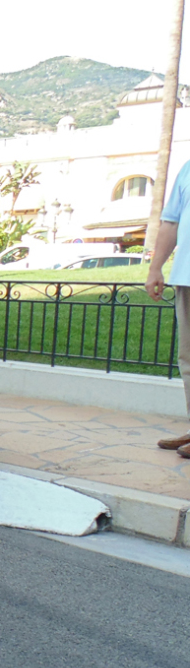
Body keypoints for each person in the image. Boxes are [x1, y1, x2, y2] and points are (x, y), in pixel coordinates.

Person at [146, 157, 190, 456]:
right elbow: (171, 222)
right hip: (186, 277)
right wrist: (155, 268)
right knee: (188, 358)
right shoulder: (188, 168)